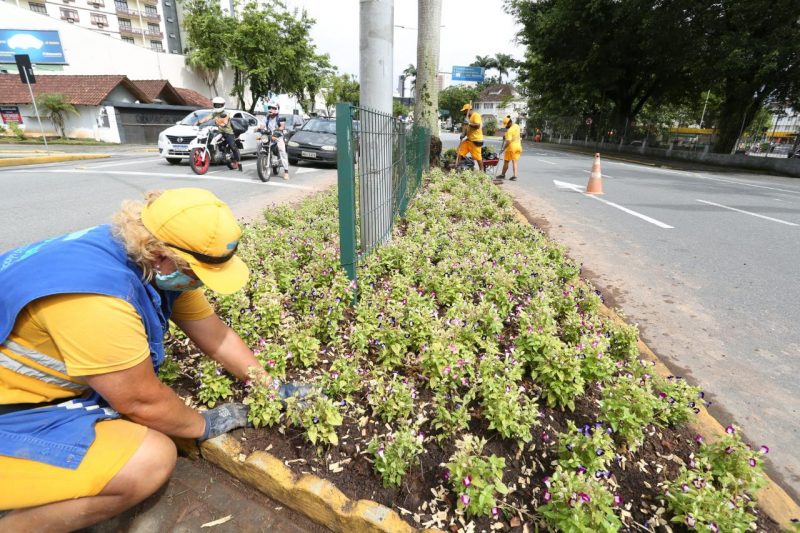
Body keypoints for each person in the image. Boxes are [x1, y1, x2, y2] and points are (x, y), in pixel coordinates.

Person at [0, 188, 311, 531]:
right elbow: (139, 400)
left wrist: (271, 387)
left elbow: (214, 334)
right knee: (151, 461)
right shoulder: (98, 298)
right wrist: (203, 424)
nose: (199, 283)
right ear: (162, 256)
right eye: (198, 273)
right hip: (14, 413)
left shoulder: (140, 254)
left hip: (27, 394)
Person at [198, 96, 242, 171]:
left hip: (228, 132)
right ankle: (216, 153)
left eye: (219, 105)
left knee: (232, 146)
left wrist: (217, 122)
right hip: (220, 131)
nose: (217, 106)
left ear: (223, 105)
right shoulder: (214, 113)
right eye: (216, 105)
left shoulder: (226, 113)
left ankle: (238, 162)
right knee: (213, 140)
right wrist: (199, 122)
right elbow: (207, 118)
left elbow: (224, 122)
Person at [262, 100, 290, 180]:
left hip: (278, 136)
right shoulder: (266, 117)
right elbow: (262, 125)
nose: (271, 109)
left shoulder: (280, 118)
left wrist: (277, 129)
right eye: (270, 108)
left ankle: (286, 172)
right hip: (269, 136)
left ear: (277, 109)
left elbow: (282, 127)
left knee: (282, 151)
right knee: (260, 144)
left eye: (273, 108)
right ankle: (262, 160)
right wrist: (258, 128)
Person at [455, 103, 484, 172]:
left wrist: (469, 123)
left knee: (477, 157)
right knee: (459, 151)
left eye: (464, 111)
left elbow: (477, 126)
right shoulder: (468, 118)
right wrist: (463, 134)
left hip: (476, 140)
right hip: (469, 140)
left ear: (468, 110)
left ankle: (482, 171)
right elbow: (467, 129)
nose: (464, 112)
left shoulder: (476, 115)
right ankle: (459, 166)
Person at [497, 116, 522, 181]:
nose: (506, 126)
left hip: (511, 148)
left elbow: (508, 141)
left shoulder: (509, 131)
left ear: (509, 123)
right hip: (518, 146)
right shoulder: (517, 126)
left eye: (506, 125)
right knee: (515, 161)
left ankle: (502, 175)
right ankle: (515, 176)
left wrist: (503, 149)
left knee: (506, 162)